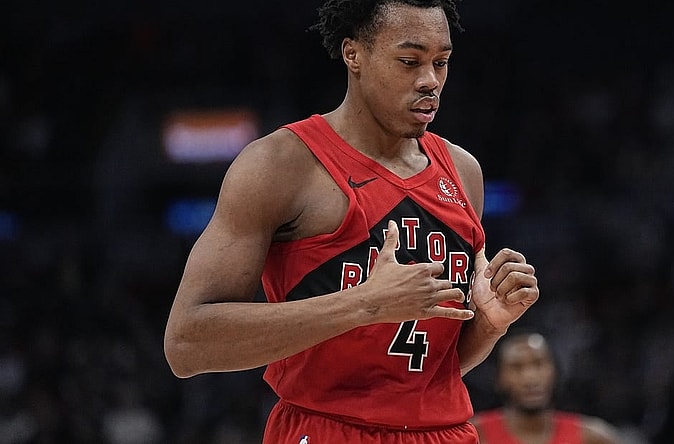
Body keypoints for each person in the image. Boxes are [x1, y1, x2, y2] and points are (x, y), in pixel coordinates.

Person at [163, 1, 540, 443]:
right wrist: (364, 304)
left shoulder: (463, 171)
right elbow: (187, 344)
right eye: (409, 61)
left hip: (444, 432)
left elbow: (428, 368)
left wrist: (490, 324)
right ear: (353, 54)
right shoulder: (281, 164)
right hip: (327, 430)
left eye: (441, 63)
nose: (430, 81)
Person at [472, 332, 620, 444]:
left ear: (555, 371)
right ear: (499, 378)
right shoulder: (474, 435)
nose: (530, 377)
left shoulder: (593, 438)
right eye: (517, 367)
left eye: (539, 364)